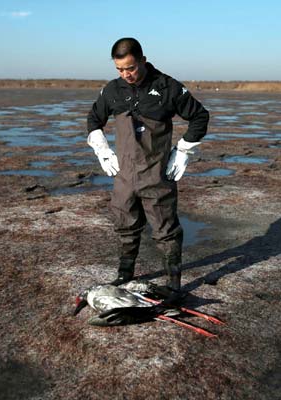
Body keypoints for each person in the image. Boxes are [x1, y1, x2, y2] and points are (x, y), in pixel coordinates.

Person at [86, 38, 209, 295]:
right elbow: (94, 119)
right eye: (119, 69)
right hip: (125, 175)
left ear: (142, 60)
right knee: (125, 222)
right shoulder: (113, 90)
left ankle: (174, 285)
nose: (126, 74)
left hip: (156, 172)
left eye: (130, 68)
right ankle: (124, 275)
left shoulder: (167, 87)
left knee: (165, 229)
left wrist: (183, 149)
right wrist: (102, 148)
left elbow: (200, 116)